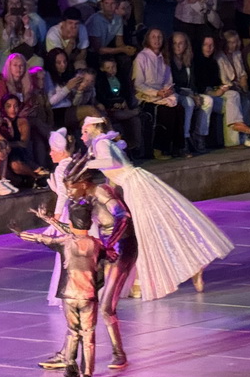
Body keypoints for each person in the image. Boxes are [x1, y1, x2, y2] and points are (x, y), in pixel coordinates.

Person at [81, 116, 233, 300]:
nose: (83, 134)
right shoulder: (104, 142)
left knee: (146, 232)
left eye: (85, 129)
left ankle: (151, 278)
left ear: (93, 127)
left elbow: (110, 163)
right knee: (150, 230)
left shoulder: (101, 144)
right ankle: (190, 265)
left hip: (135, 186)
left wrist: (86, 163)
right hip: (133, 184)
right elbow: (113, 175)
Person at [18, 201, 107, 377]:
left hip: (69, 293)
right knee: (89, 332)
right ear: (89, 224)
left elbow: (43, 239)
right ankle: (88, 374)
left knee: (73, 332)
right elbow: (110, 257)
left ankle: (70, 364)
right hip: (88, 294)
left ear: (72, 223)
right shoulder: (97, 244)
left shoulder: (66, 243)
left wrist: (22, 234)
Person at [62, 161, 136, 370]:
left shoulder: (102, 191)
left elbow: (123, 217)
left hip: (121, 248)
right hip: (106, 248)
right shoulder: (85, 197)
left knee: (106, 307)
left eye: (71, 186)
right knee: (82, 296)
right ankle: (67, 352)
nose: (69, 191)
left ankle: (118, 353)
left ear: (83, 183)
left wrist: (110, 244)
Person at [133, 28, 186, 158]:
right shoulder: (142, 57)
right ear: (148, 39)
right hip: (147, 95)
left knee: (179, 108)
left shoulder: (164, 58)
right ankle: (159, 149)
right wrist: (156, 93)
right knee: (165, 111)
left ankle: (177, 147)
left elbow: (168, 80)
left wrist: (167, 90)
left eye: (159, 37)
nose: (157, 40)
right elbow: (138, 84)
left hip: (162, 94)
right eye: (153, 37)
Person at [196, 35, 250, 147]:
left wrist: (222, 88)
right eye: (206, 45)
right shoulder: (196, 62)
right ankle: (236, 130)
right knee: (232, 99)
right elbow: (198, 87)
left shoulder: (213, 62)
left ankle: (242, 135)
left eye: (211, 45)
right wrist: (215, 92)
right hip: (203, 96)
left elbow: (218, 82)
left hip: (216, 93)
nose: (209, 48)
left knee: (239, 98)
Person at [217, 29, 250, 144]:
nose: (234, 45)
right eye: (231, 42)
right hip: (228, 88)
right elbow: (224, 79)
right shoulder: (219, 57)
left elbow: (242, 73)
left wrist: (244, 81)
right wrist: (237, 86)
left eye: (236, 42)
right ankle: (247, 135)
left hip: (240, 86)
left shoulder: (237, 54)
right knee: (245, 101)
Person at [43, 127, 75, 307]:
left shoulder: (61, 168)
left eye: (52, 150)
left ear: (61, 151)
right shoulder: (73, 163)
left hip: (69, 213)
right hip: (79, 210)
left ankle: (68, 290)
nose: (50, 153)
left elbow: (63, 195)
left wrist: (55, 218)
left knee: (67, 254)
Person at [169, 31, 213, 155]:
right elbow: (171, 84)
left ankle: (200, 135)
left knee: (208, 100)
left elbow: (192, 82)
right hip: (175, 92)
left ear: (186, 45)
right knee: (189, 102)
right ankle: (184, 139)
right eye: (175, 43)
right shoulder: (168, 61)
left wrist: (196, 95)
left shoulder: (188, 61)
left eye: (181, 43)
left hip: (188, 91)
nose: (177, 46)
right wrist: (191, 96)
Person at [86, 0, 136, 76]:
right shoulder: (96, 20)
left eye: (112, 3)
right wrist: (121, 49)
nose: (109, 6)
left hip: (106, 50)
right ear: (102, 4)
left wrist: (127, 49)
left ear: (116, 5)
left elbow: (119, 43)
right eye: (106, 3)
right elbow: (98, 49)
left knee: (127, 59)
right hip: (90, 53)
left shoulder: (118, 19)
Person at [0, 0, 41, 75]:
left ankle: (24, 73)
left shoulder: (28, 19)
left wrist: (26, 25)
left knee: (39, 61)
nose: (14, 5)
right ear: (6, 5)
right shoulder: (0, 21)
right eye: (11, 3)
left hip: (24, 55)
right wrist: (9, 26)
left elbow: (31, 43)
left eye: (17, 3)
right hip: (7, 55)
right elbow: (2, 46)